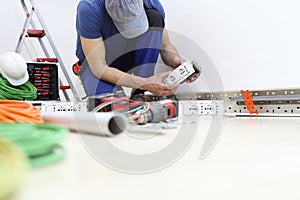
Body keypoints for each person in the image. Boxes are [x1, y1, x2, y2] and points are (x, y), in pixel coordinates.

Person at [75, 0, 200, 97]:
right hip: (97, 66)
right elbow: (99, 68)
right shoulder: (89, 9)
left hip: (130, 59)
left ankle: (140, 94)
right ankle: (140, 87)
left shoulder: (151, 3)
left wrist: (176, 61)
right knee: (110, 107)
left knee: (155, 18)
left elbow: (166, 45)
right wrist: (144, 83)